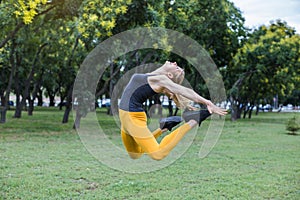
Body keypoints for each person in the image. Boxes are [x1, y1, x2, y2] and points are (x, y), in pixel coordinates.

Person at [119, 61, 227, 160]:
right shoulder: (152, 76)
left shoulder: (160, 79)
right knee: (135, 154)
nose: (175, 63)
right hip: (125, 120)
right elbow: (168, 90)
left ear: (169, 75)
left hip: (132, 118)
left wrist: (207, 102)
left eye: (177, 68)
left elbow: (182, 90)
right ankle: (163, 127)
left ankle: (193, 120)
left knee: (158, 155)